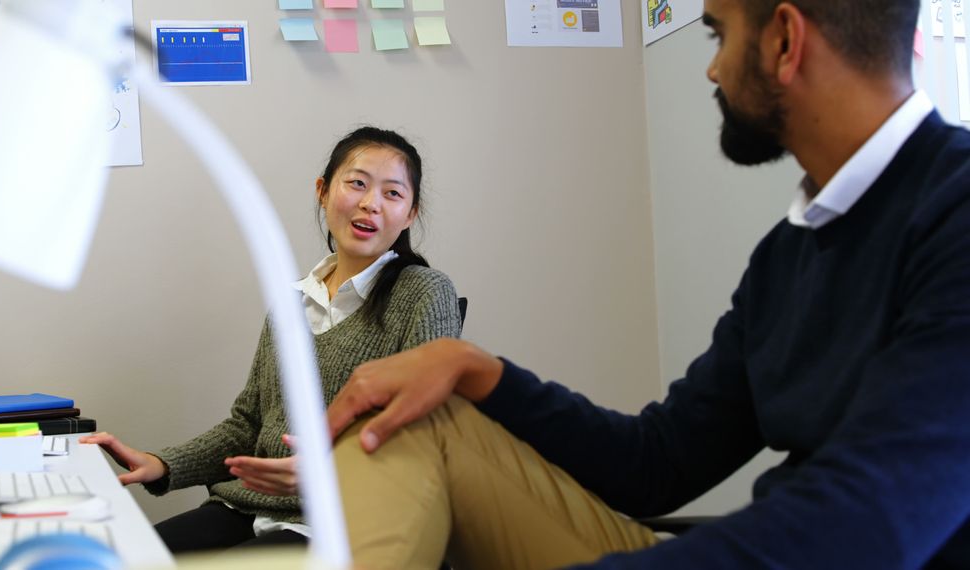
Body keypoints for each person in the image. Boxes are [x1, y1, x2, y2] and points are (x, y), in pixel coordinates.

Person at [325, 1, 970, 568]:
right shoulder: (789, 254)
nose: (712, 70)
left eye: (718, 35)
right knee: (410, 418)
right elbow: (658, 463)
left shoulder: (954, 212)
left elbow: (863, 531)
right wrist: (475, 367)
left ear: (784, 40)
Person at [80, 126, 463, 553]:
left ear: (411, 213)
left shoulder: (425, 293)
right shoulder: (291, 303)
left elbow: (425, 436)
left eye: (393, 194)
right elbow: (248, 426)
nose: (370, 204)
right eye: (357, 183)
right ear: (322, 190)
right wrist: (163, 464)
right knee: (119, 557)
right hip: (245, 508)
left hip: (345, 524)